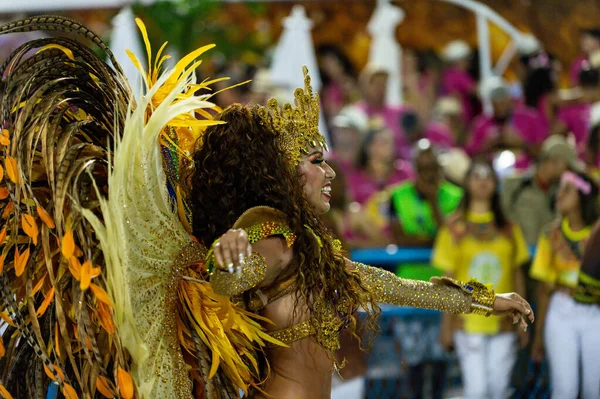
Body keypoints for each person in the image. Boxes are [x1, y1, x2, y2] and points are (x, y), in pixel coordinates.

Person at [0, 16, 535, 399]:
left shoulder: (312, 250)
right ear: (283, 174)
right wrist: (224, 259)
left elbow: (388, 284)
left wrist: (487, 301)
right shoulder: (265, 229)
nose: (329, 174)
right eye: (314, 161)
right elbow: (228, 278)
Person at [433, 159, 530, 399]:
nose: (483, 181)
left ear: (496, 183)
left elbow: (517, 275)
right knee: (476, 391)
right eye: (477, 176)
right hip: (467, 321)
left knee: (498, 391)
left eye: (488, 176)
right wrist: (446, 327)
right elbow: (448, 281)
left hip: (504, 321)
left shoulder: (509, 229)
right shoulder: (453, 228)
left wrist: (524, 318)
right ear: (467, 183)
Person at [387, 140, 463, 399]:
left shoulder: (456, 196)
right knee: (415, 361)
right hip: (410, 290)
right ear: (414, 168)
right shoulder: (397, 196)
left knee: (441, 357)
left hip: (444, 288)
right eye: (423, 168)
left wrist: (433, 202)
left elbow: (454, 239)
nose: (429, 174)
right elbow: (400, 239)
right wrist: (435, 240)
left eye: (434, 168)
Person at [530, 171, 600, 399]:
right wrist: (538, 336)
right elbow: (543, 290)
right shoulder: (551, 234)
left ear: (583, 196)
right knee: (565, 391)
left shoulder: (596, 234)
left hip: (595, 310)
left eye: (567, 190)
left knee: (594, 389)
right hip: (561, 309)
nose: (558, 195)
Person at [467, 77, 547, 171]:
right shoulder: (480, 124)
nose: (500, 104)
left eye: (502, 97)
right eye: (495, 99)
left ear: (510, 98)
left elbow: (544, 153)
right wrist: (487, 145)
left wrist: (522, 143)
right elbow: (469, 158)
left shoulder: (530, 118)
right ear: (490, 102)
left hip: (525, 173)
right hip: (492, 176)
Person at [354, 65, 412, 160]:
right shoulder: (355, 113)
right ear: (363, 86)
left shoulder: (400, 113)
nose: (381, 88)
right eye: (376, 84)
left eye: (384, 84)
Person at [346, 123, 411, 204]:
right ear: (369, 147)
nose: (390, 146)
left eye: (391, 141)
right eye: (384, 142)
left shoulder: (404, 172)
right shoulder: (355, 178)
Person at [440, 40, 478, 124]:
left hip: (451, 118)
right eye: (466, 59)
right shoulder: (459, 75)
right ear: (458, 60)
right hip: (461, 119)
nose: (468, 63)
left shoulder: (447, 74)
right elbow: (475, 90)